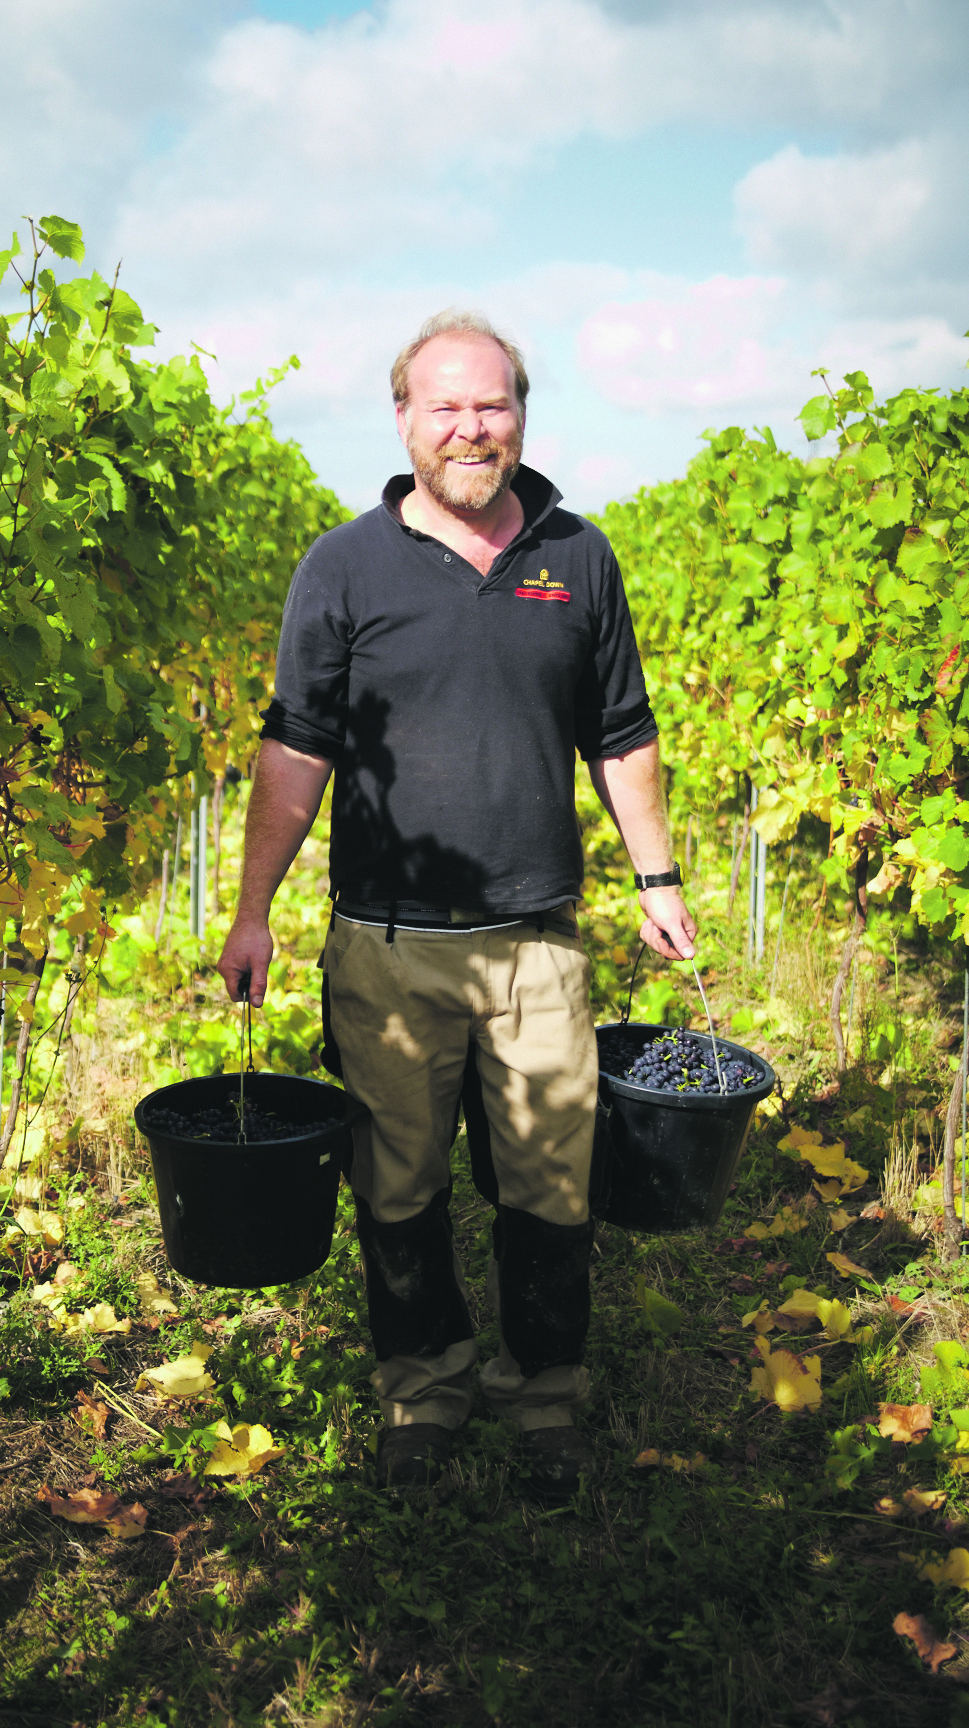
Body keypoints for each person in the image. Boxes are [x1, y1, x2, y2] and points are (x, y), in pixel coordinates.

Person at [217, 309, 696, 1494]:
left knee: (548, 1187)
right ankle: (421, 1397)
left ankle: (546, 1405)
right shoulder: (343, 565)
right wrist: (252, 909)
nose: (472, 427)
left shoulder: (579, 556)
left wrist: (658, 875)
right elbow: (297, 747)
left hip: (539, 944)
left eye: (493, 405)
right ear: (405, 420)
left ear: (520, 415)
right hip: (386, 947)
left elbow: (622, 736)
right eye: (448, 406)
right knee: (399, 1186)